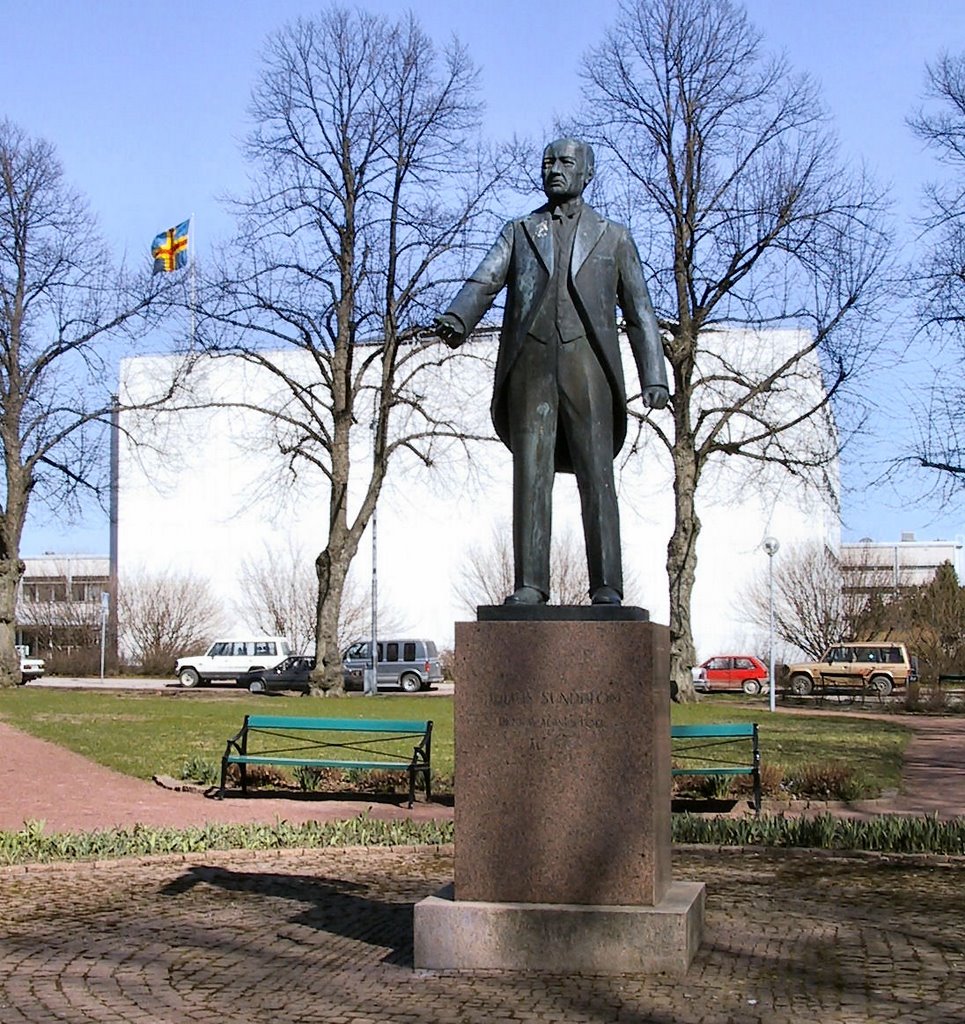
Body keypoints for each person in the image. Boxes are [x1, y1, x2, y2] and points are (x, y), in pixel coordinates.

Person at [434, 138, 669, 607]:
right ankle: (530, 584)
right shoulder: (520, 231)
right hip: (532, 367)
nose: (555, 170)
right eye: (548, 163)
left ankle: (607, 584)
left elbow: (641, 312)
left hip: (590, 370)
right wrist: (460, 317)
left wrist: (654, 376)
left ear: (587, 173)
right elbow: (487, 278)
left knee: (597, 473)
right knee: (531, 474)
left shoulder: (614, 237)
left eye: (565, 163)